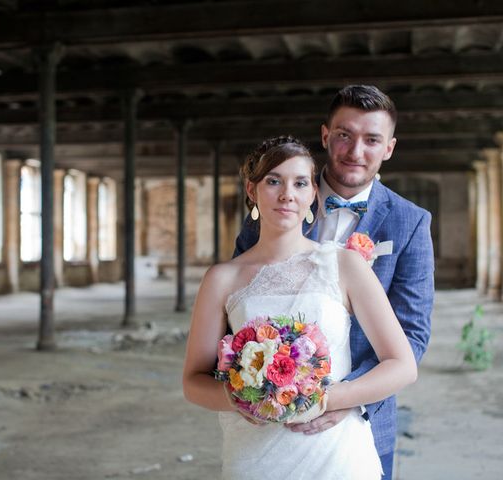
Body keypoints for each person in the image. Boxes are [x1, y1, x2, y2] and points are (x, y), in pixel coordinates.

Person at [182, 135, 418, 479]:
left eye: (300, 183)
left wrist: (327, 400)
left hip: (337, 453)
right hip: (255, 455)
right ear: (252, 190)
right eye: (273, 180)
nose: (286, 194)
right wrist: (244, 399)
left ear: (313, 195)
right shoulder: (221, 278)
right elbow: (193, 382)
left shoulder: (345, 265)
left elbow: (403, 365)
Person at [232, 85, 435, 478]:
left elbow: (411, 333)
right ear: (326, 136)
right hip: (266, 412)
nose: (355, 152)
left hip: (359, 419)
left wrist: (345, 399)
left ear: (389, 148)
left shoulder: (410, 223)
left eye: (371, 140)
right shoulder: (274, 205)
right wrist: (253, 386)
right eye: (344, 135)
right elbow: (239, 301)